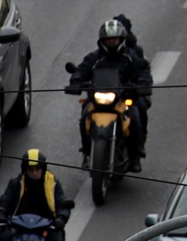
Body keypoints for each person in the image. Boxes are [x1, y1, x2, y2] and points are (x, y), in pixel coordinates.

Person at [65, 18, 154, 171]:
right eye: (109, 39)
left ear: (121, 39)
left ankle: (134, 157)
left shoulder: (130, 56)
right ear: (102, 40)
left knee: (135, 121)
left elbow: (142, 72)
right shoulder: (95, 57)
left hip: (123, 98)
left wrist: (143, 83)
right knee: (83, 117)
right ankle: (87, 153)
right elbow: (81, 69)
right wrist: (76, 80)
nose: (112, 42)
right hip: (98, 98)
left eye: (114, 39)